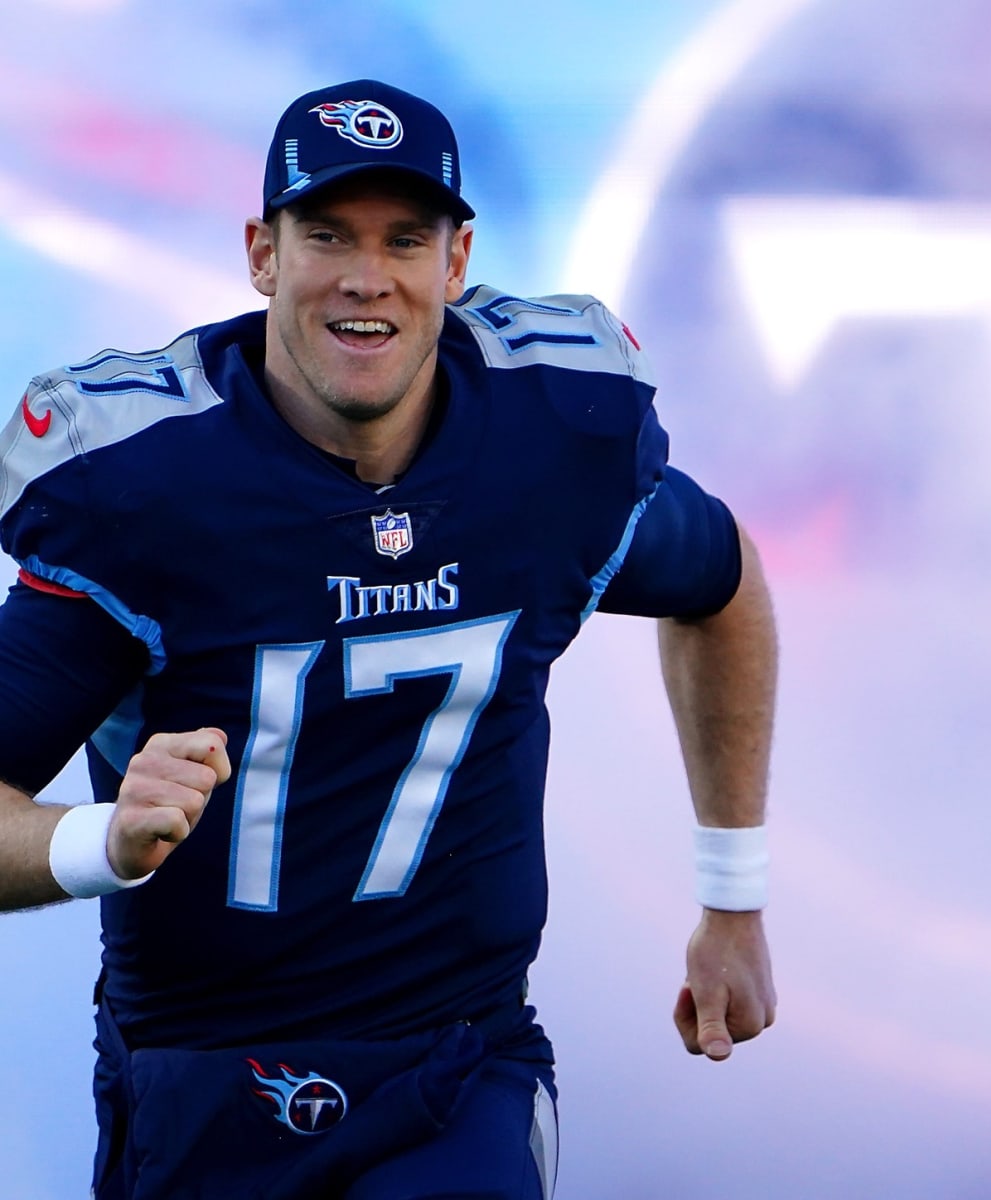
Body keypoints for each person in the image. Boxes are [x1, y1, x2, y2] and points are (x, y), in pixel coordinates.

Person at [0, 79, 777, 1199]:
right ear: (264, 253)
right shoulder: (147, 491)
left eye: (405, 239)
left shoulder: (544, 442)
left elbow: (725, 581)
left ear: (456, 264)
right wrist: (98, 841)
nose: (368, 278)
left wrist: (733, 898)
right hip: (205, 1082)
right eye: (328, 235)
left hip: (455, 1071)